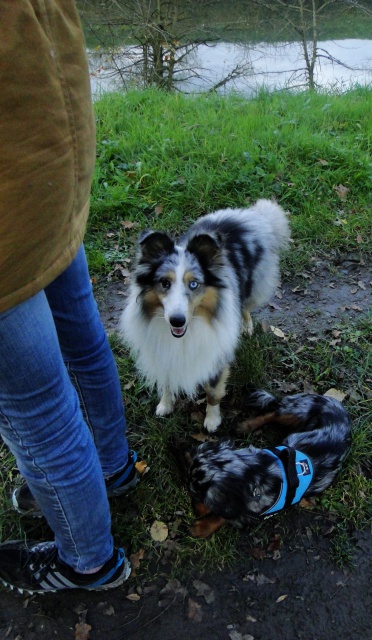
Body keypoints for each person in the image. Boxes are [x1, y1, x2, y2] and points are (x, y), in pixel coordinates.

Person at [0, 0, 139, 592]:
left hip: (8, 208)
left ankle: (87, 560)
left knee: (34, 411)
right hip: (51, 172)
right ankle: (109, 467)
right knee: (81, 343)